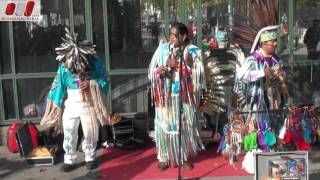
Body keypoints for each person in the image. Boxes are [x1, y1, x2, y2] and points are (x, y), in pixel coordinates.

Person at [40, 28, 119, 172]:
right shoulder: (64, 65)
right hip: (71, 101)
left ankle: (90, 156)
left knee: (90, 131)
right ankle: (69, 158)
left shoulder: (95, 62)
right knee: (69, 130)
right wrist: (53, 105)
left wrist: (91, 83)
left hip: (89, 101)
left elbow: (105, 79)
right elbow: (59, 84)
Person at [148, 22, 206, 171]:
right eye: (171, 35)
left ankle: (182, 157)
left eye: (175, 35)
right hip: (166, 98)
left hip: (183, 97)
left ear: (184, 36)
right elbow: (151, 72)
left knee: (184, 127)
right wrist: (159, 71)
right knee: (164, 127)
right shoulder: (162, 50)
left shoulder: (193, 51)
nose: (172, 38)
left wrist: (180, 66)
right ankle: (164, 158)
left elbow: (198, 75)